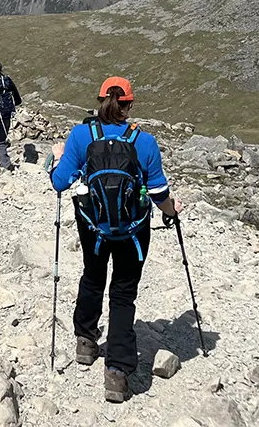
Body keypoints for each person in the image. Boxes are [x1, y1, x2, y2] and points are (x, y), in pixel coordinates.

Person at [49, 76, 181, 403]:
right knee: (123, 293)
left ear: (99, 101)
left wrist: (58, 156)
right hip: (133, 232)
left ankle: (85, 342)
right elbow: (159, 193)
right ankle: (118, 373)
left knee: (92, 277)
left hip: (93, 227)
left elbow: (59, 182)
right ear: (129, 105)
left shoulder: (82, 135)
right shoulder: (144, 141)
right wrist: (172, 209)